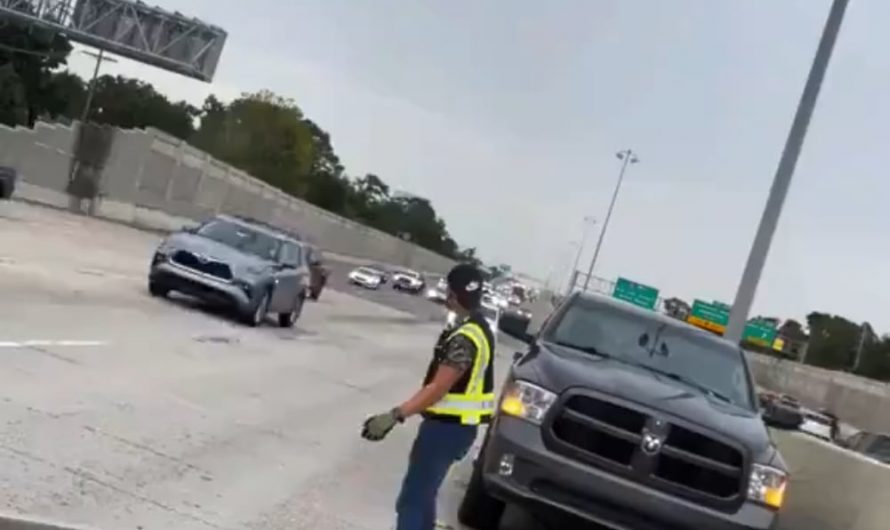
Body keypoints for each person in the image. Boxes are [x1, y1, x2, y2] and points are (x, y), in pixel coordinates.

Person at [361, 263, 496, 530]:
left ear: (454, 295)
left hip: (445, 431)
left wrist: (395, 415)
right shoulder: (479, 329)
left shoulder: (465, 337)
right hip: (458, 429)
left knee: (411, 501)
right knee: (424, 497)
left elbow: (437, 389)